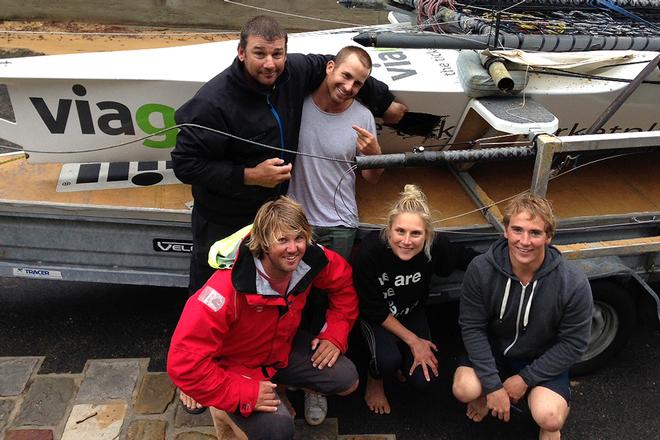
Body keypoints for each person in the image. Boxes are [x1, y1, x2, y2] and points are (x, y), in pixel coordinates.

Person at [171, 15, 406, 297]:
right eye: (259, 54)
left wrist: (384, 101)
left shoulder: (293, 71)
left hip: (273, 215)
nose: (270, 63)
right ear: (241, 52)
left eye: (277, 54)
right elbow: (185, 165)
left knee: (260, 294)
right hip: (224, 218)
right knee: (212, 293)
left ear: (285, 52)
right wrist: (250, 176)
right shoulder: (213, 101)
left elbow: (339, 67)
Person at [167, 196, 360, 440]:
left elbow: (342, 284)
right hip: (235, 366)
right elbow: (183, 363)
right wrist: (243, 394)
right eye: (283, 240)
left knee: (347, 379)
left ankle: (276, 389)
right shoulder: (224, 291)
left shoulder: (311, 259)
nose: (293, 249)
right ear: (264, 243)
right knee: (277, 431)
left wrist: (335, 334)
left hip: (280, 351)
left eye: (299, 238)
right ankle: (224, 409)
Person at [286, 45, 389, 424]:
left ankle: (317, 385)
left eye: (358, 82)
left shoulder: (362, 117)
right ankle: (281, 376)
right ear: (329, 68)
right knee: (289, 301)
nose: (348, 86)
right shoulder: (296, 104)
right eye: (345, 76)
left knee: (330, 304)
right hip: (296, 223)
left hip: (340, 225)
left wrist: (375, 151)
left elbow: (372, 178)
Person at [452, 193, 593, 440]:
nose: (524, 241)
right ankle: (486, 392)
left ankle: (547, 415)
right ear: (506, 231)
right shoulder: (481, 268)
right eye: (517, 230)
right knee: (464, 390)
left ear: (549, 237)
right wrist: (493, 386)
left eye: (535, 233)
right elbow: (472, 327)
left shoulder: (572, 282)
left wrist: (525, 379)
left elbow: (574, 343)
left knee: (549, 417)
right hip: (496, 349)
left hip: (540, 355)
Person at [354, 184, 478, 414]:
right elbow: (372, 308)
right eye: (400, 231)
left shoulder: (434, 247)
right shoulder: (370, 252)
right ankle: (375, 379)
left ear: (427, 235)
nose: (407, 241)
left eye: (416, 233)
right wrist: (413, 341)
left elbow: (469, 259)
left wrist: (510, 265)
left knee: (425, 379)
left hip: (411, 311)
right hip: (377, 316)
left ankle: (401, 360)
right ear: (389, 229)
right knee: (386, 360)